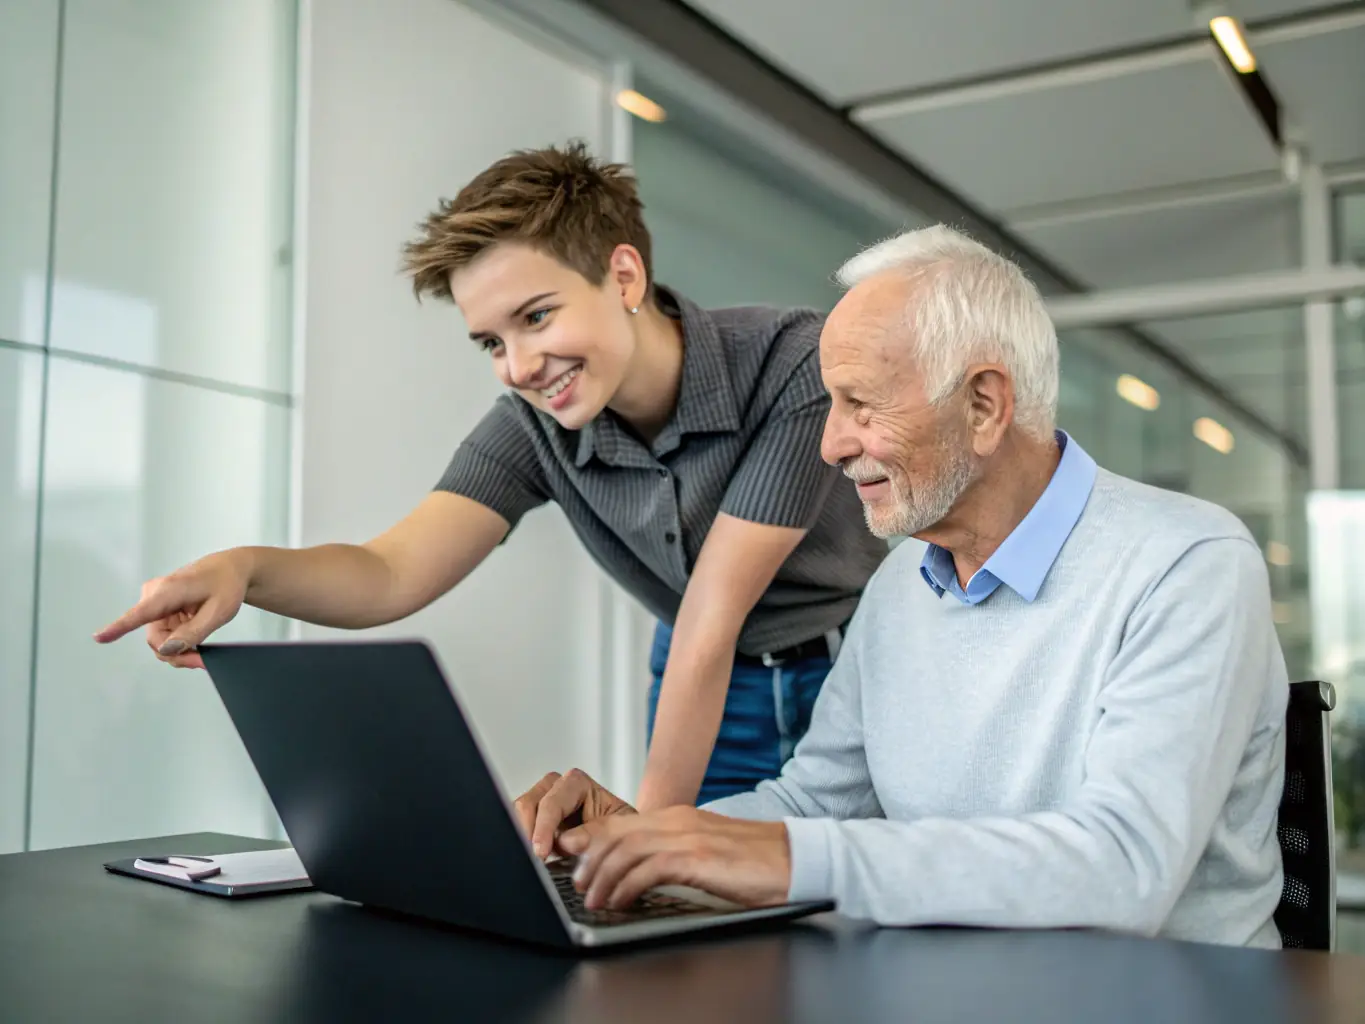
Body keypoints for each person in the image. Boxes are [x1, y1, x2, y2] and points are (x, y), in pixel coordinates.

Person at [509, 225, 1290, 948]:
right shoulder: (898, 587)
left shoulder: (1187, 562)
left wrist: (791, 858)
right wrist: (643, 838)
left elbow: (1125, 867)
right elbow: (812, 805)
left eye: (858, 403)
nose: (829, 443)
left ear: (983, 405)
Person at [92, 143, 889, 810]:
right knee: (709, 918)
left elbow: (711, 615)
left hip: (852, 667)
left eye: (536, 317)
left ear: (622, 277)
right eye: (491, 343)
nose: (518, 367)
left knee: (842, 900)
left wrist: (646, 838)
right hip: (709, 679)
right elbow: (387, 572)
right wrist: (244, 570)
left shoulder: (792, 362)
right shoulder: (532, 427)